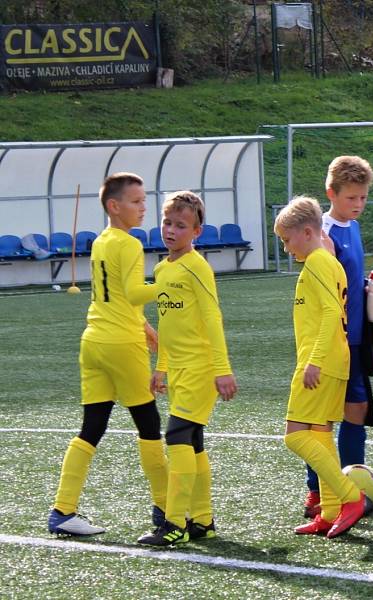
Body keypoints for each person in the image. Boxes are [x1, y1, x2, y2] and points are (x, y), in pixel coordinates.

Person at [47, 172, 167, 536]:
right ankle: (166, 509)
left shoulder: (102, 240)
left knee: (92, 427)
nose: (144, 206)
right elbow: (131, 292)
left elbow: (112, 293)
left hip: (94, 340)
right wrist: (171, 283)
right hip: (119, 345)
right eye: (136, 201)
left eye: (144, 200)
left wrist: (143, 324)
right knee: (149, 425)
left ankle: (62, 511)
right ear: (114, 206)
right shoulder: (129, 244)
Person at [136, 191, 238, 546]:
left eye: (181, 225)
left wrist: (222, 369)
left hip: (201, 369)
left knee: (177, 436)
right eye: (167, 222)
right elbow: (167, 323)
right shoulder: (163, 269)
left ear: (197, 231)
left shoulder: (197, 267)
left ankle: (175, 524)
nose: (171, 230)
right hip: (178, 371)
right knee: (192, 442)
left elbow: (212, 317)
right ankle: (203, 520)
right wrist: (161, 368)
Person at [303, 155, 373, 518]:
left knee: (356, 412)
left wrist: (372, 283)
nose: (358, 205)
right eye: (351, 198)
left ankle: (354, 486)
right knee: (322, 419)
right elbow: (325, 293)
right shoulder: (323, 235)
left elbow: (348, 283)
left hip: (356, 339)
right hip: (333, 342)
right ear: (331, 193)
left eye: (363, 198)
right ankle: (317, 493)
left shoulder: (352, 228)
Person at [274, 195, 365, 539]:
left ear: (308, 231)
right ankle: (328, 512)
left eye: (287, 239)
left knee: (295, 436)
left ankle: (350, 496)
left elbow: (329, 313)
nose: (286, 248)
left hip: (320, 362)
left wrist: (312, 361)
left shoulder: (317, 262)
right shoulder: (329, 262)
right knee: (320, 434)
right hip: (335, 360)